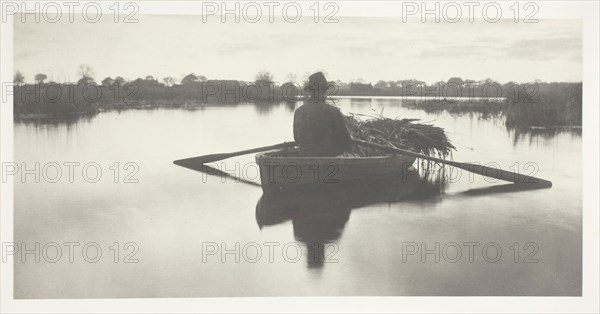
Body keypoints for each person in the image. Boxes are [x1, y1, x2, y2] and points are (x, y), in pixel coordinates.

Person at [293, 72, 353, 157]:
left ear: (310, 91)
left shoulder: (298, 111)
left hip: (305, 156)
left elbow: (297, 139)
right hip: (329, 159)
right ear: (324, 91)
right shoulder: (333, 111)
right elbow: (346, 142)